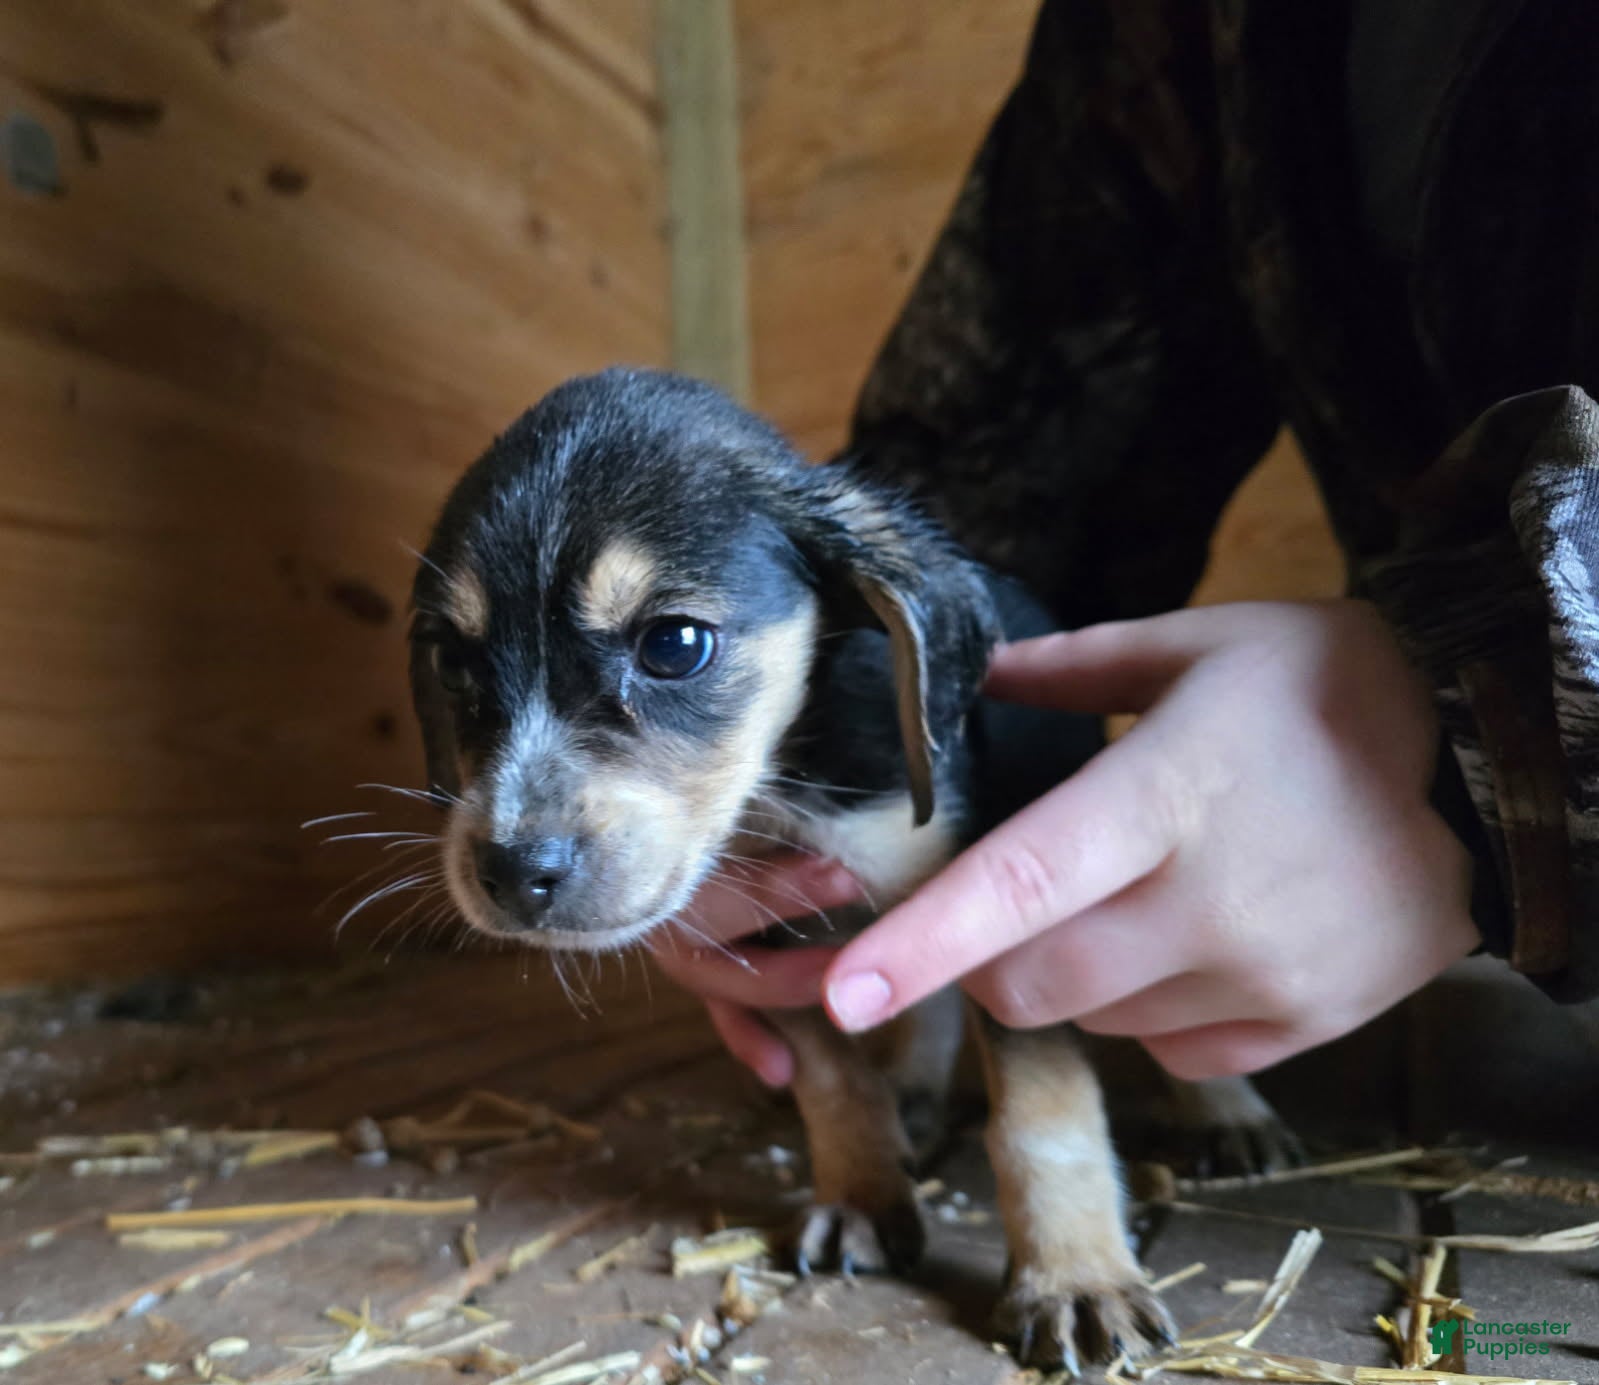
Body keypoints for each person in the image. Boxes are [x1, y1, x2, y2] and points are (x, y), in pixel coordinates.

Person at [651, 0, 1599, 1089]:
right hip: (1378, 946)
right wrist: (774, 768)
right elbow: (989, 490)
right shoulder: (1172, 27)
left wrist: (1489, 727)